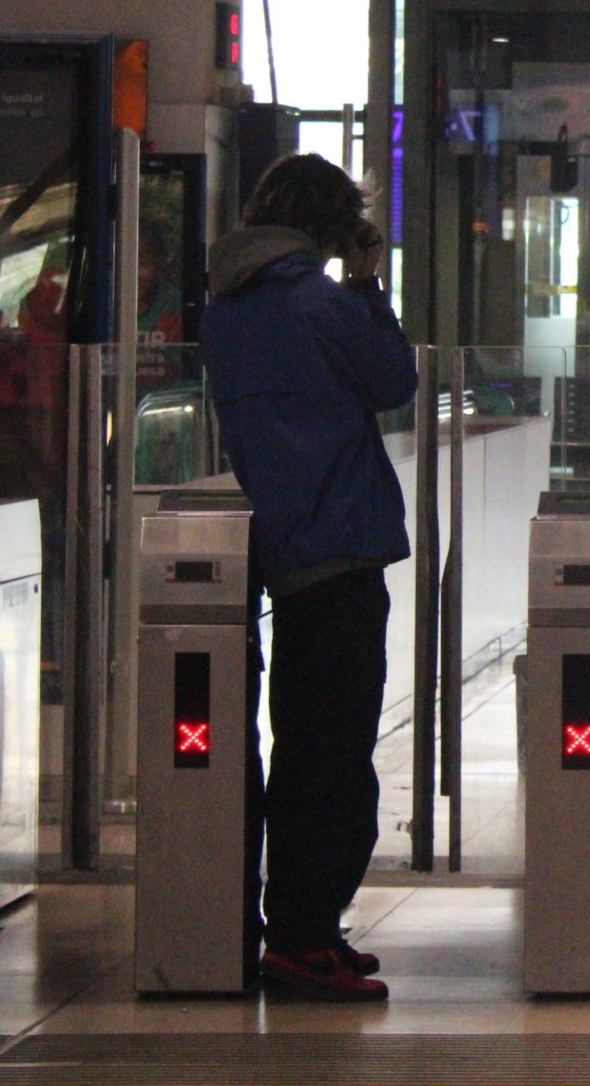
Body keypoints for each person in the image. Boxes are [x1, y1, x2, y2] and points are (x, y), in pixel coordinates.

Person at [200, 156, 416, 1002]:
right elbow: (395, 380)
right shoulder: (321, 302)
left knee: (301, 744)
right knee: (333, 755)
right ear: (330, 225)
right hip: (341, 543)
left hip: (284, 550)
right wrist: (368, 285)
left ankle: (300, 926)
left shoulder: (227, 309)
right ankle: (300, 937)